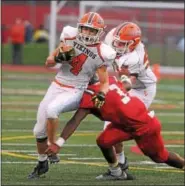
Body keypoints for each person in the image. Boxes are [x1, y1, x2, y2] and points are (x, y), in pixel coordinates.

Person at [28, 12, 116, 179]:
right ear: (79, 27)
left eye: (92, 31)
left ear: (100, 32)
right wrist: (59, 58)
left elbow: (104, 82)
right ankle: (42, 162)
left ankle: (52, 148)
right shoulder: (69, 35)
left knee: (52, 110)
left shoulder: (103, 52)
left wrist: (103, 94)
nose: (87, 33)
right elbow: (48, 62)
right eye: (85, 29)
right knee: (38, 130)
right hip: (57, 84)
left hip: (77, 88)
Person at [46, 76, 185, 180]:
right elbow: (126, 85)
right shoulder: (110, 80)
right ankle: (116, 172)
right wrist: (126, 80)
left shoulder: (91, 94)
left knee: (160, 157)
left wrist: (58, 143)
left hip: (144, 126)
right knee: (104, 141)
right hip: (126, 125)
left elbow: (76, 119)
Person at [103, 22, 157, 170]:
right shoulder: (113, 37)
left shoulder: (134, 59)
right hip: (129, 84)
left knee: (116, 124)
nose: (117, 45)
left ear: (133, 44)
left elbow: (127, 85)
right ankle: (121, 162)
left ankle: (146, 124)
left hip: (142, 89)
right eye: (117, 42)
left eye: (122, 44)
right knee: (109, 125)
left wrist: (109, 90)